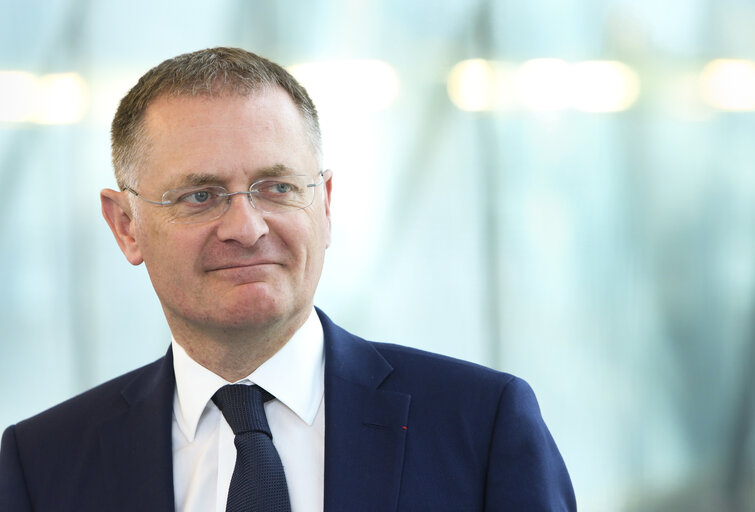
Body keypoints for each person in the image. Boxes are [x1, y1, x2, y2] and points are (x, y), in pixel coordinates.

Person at [0, 47, 576, 511]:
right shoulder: (42, 462)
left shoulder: (482, 424)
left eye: (276, 188)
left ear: (323, 204)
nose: (246, 228)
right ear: (126, 226)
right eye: (200, 196)